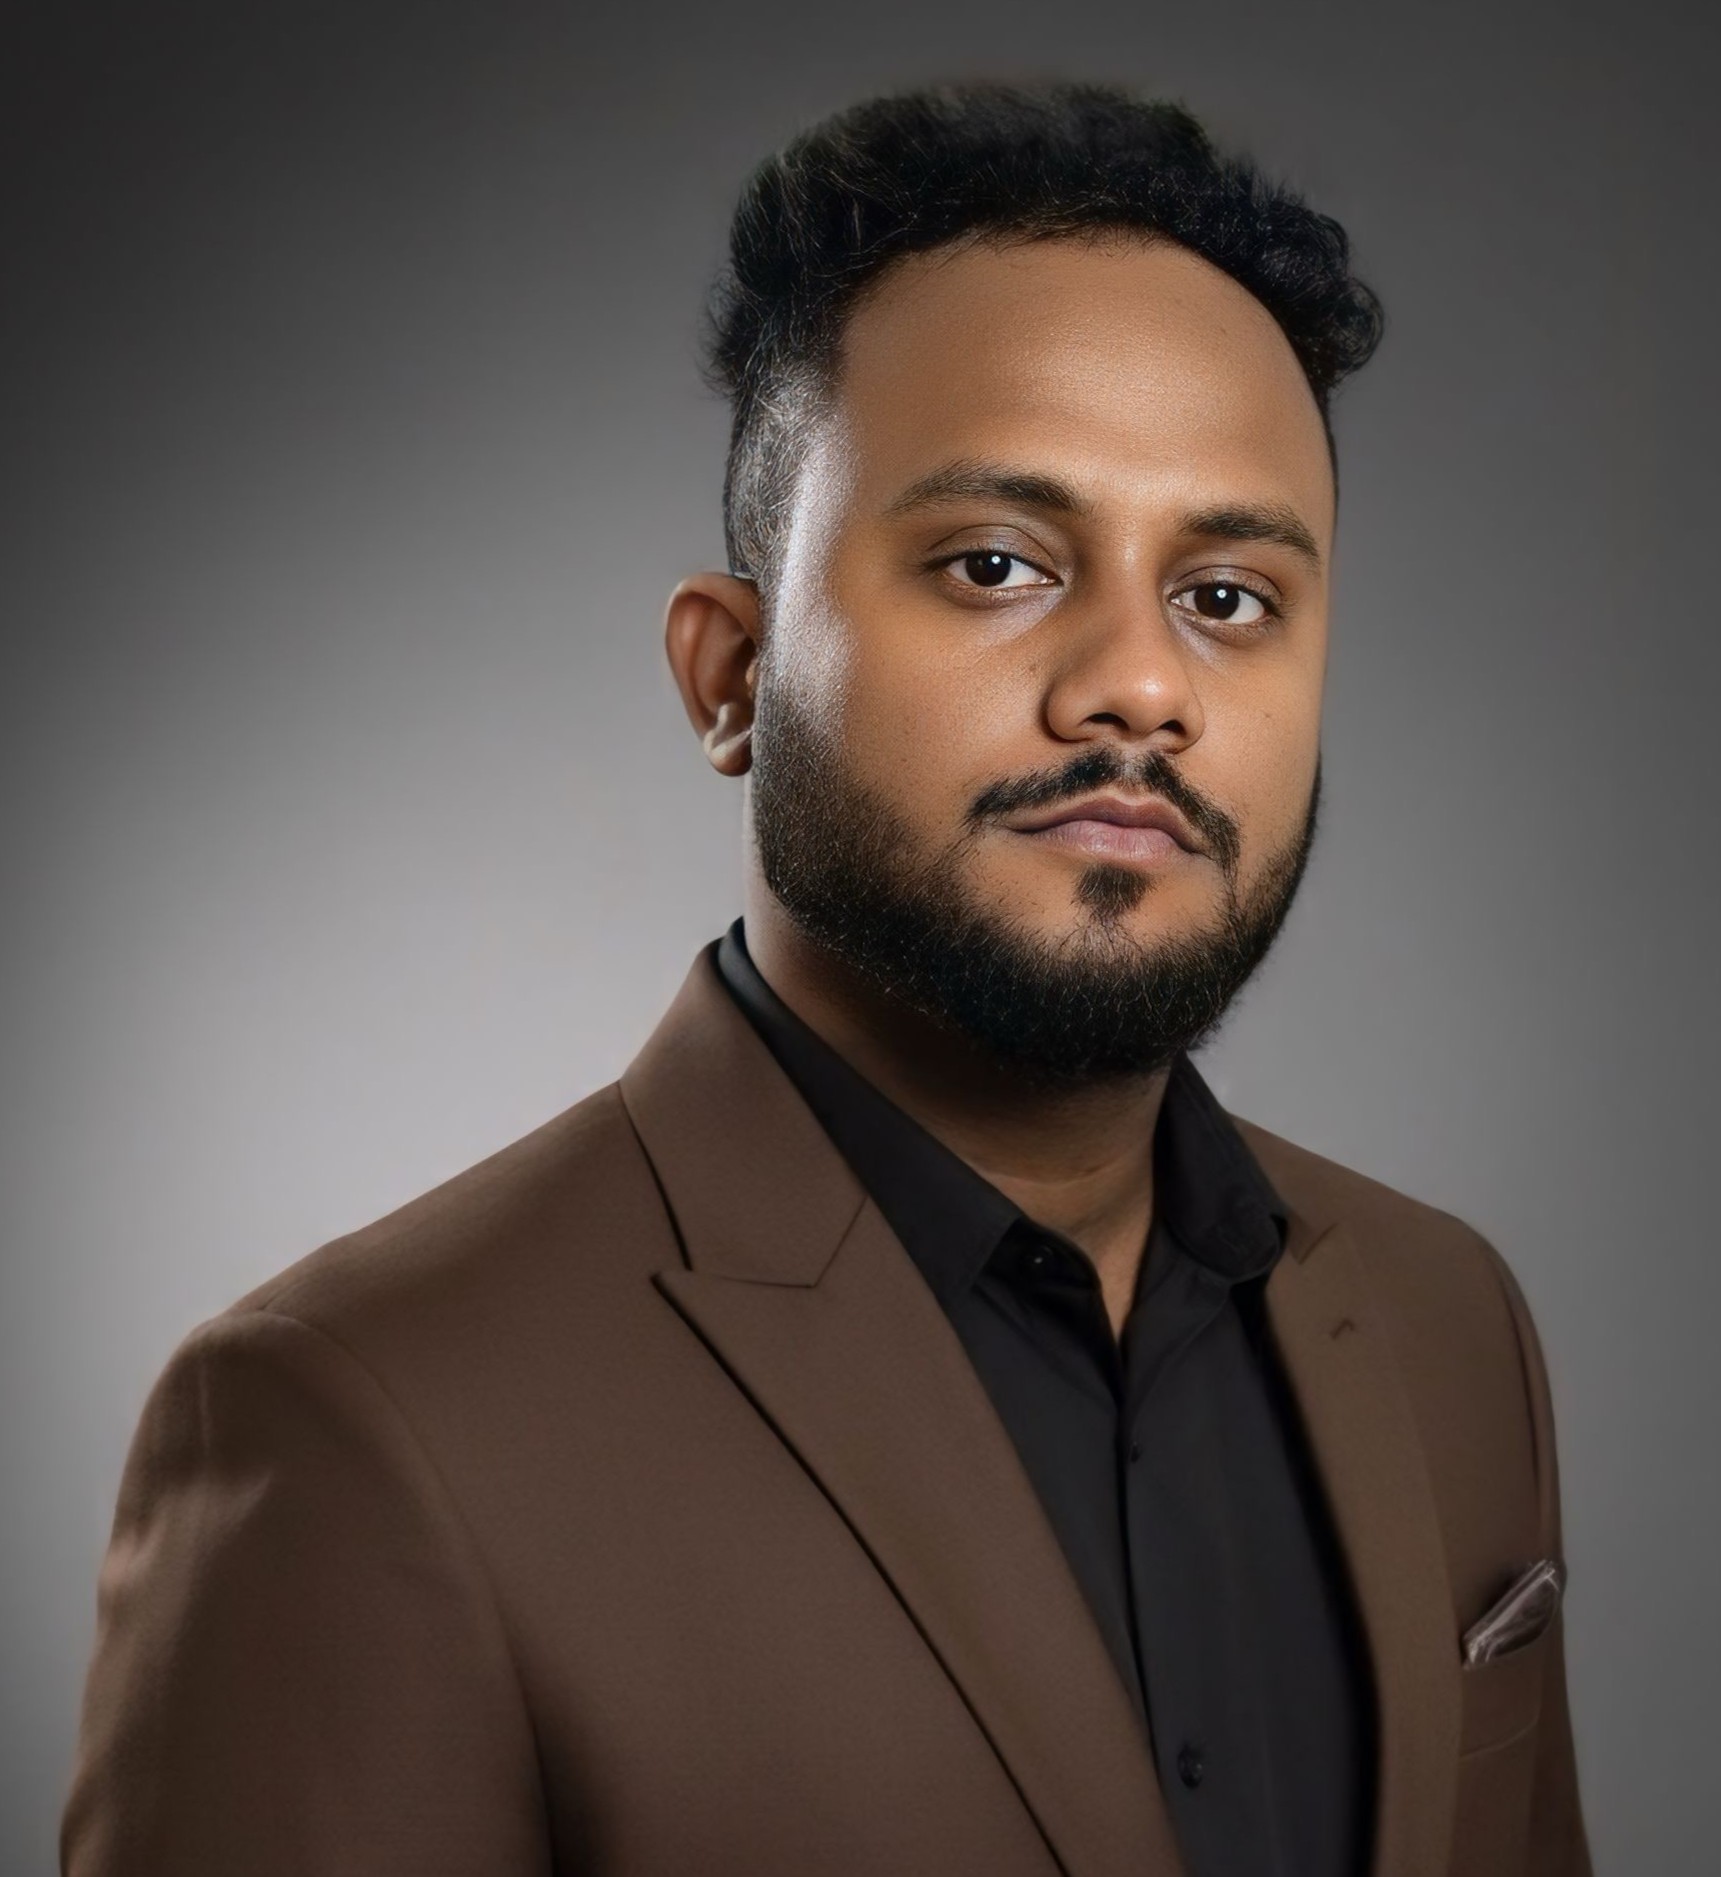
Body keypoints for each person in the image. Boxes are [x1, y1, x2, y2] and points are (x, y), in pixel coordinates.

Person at [61, 81, 1590, 1877]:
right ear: (729, 677)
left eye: (1230, 596)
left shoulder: (1443, 1320)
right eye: (997, 563)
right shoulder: (357, 1427)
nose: (1139, 686)